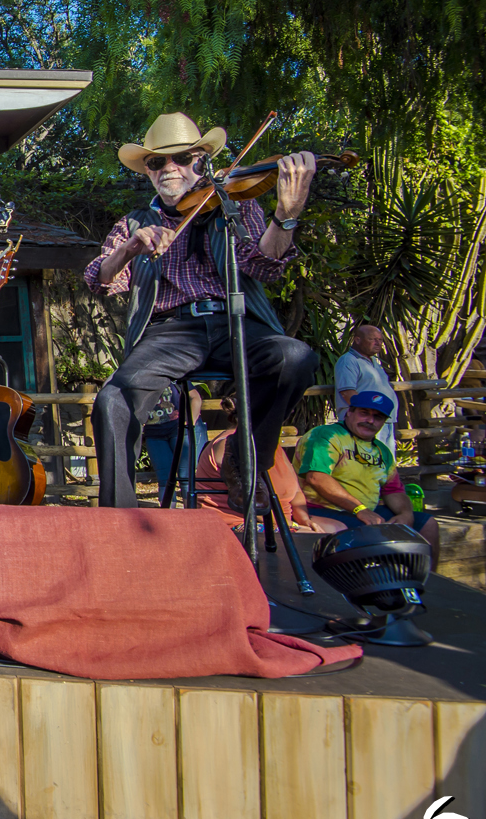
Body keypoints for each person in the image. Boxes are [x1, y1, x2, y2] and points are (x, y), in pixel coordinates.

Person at [84, 112, 319, 509]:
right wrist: (128, 249)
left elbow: (265, 265)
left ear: (201, 161)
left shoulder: (235, 207)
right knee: (113, 401)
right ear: (147, 171)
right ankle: (118, 521)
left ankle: (246, 460)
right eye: (157, 162)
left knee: (295, 357)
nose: (169, 168)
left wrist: (287, 214)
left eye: (181, 158)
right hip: (170, 331)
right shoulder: (135, 223)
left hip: (235, 322)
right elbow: (100, 280)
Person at [296, 390, 439, 564]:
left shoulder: (382, 450)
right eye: (364, 413)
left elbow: (393, 490)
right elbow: (316, 478)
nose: (370, 420)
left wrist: (405, 513)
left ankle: (427, 583)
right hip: (322, 509)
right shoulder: (326, 435)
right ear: (350, 411)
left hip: (366, 512)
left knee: (427, 524)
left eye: (377, 417)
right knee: (374, 532)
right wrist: (360, 510)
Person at [194, 391, 314, 531]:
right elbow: (252, 501)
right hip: (239, 524)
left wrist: (304, 521)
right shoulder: (230, 444)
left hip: (281, 522)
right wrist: (291, 526)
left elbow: (296, 492)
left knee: (337, 529)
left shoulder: (269, 443)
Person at [334, 323, 397, 451]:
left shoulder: (374, 361)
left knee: (385, 460)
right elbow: (347, 392)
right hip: (366, 422)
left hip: (382, 420)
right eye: (372, 339)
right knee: (369, 460)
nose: (377, 343)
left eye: (380, 340)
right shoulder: (348, 360)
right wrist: (365, 416)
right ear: (357, 340)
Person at [140, 381, 205, 504]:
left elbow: (195, 397)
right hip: (154, 434)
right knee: (164, 480)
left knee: (186, 477)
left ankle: (190, 518)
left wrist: (189, 422)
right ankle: (168, 519)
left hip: (179, 431)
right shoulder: (139, 378)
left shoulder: (173, 374)